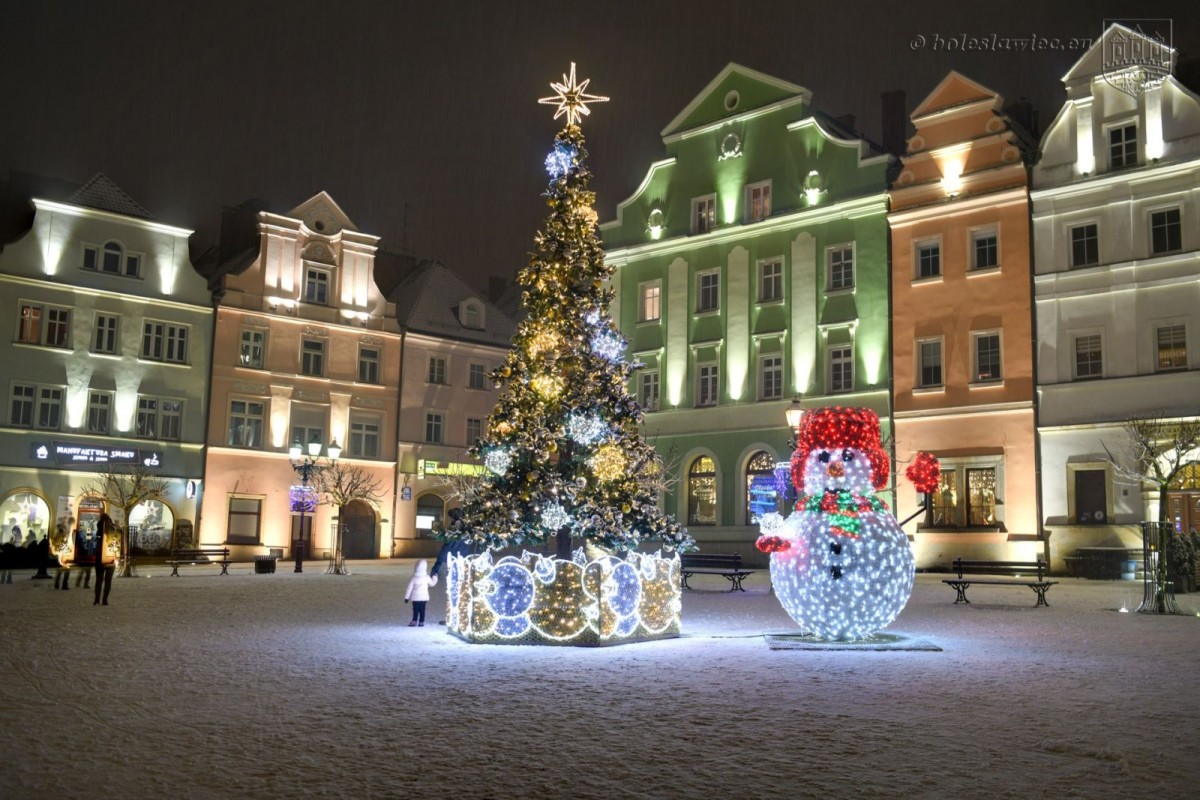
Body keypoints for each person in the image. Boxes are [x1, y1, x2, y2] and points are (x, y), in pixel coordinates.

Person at [403, 559, 438, 627]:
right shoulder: (426, 577)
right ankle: (421, 621)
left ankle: (414, 620)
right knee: (422, 609)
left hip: (415, 597)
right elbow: (432, 583)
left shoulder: (414, 578)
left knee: (415, 609)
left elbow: (409, 588)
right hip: (424, 597)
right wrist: (435, 577)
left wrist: (406, 597)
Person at [94, 514, 117, 606]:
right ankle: (105, 600)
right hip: (111, 558)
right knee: (108, 581)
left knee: (99, 580)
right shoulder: (114, 530)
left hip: (100, 558)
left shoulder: (100, 530)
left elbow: (98, 539)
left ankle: (97, 599)